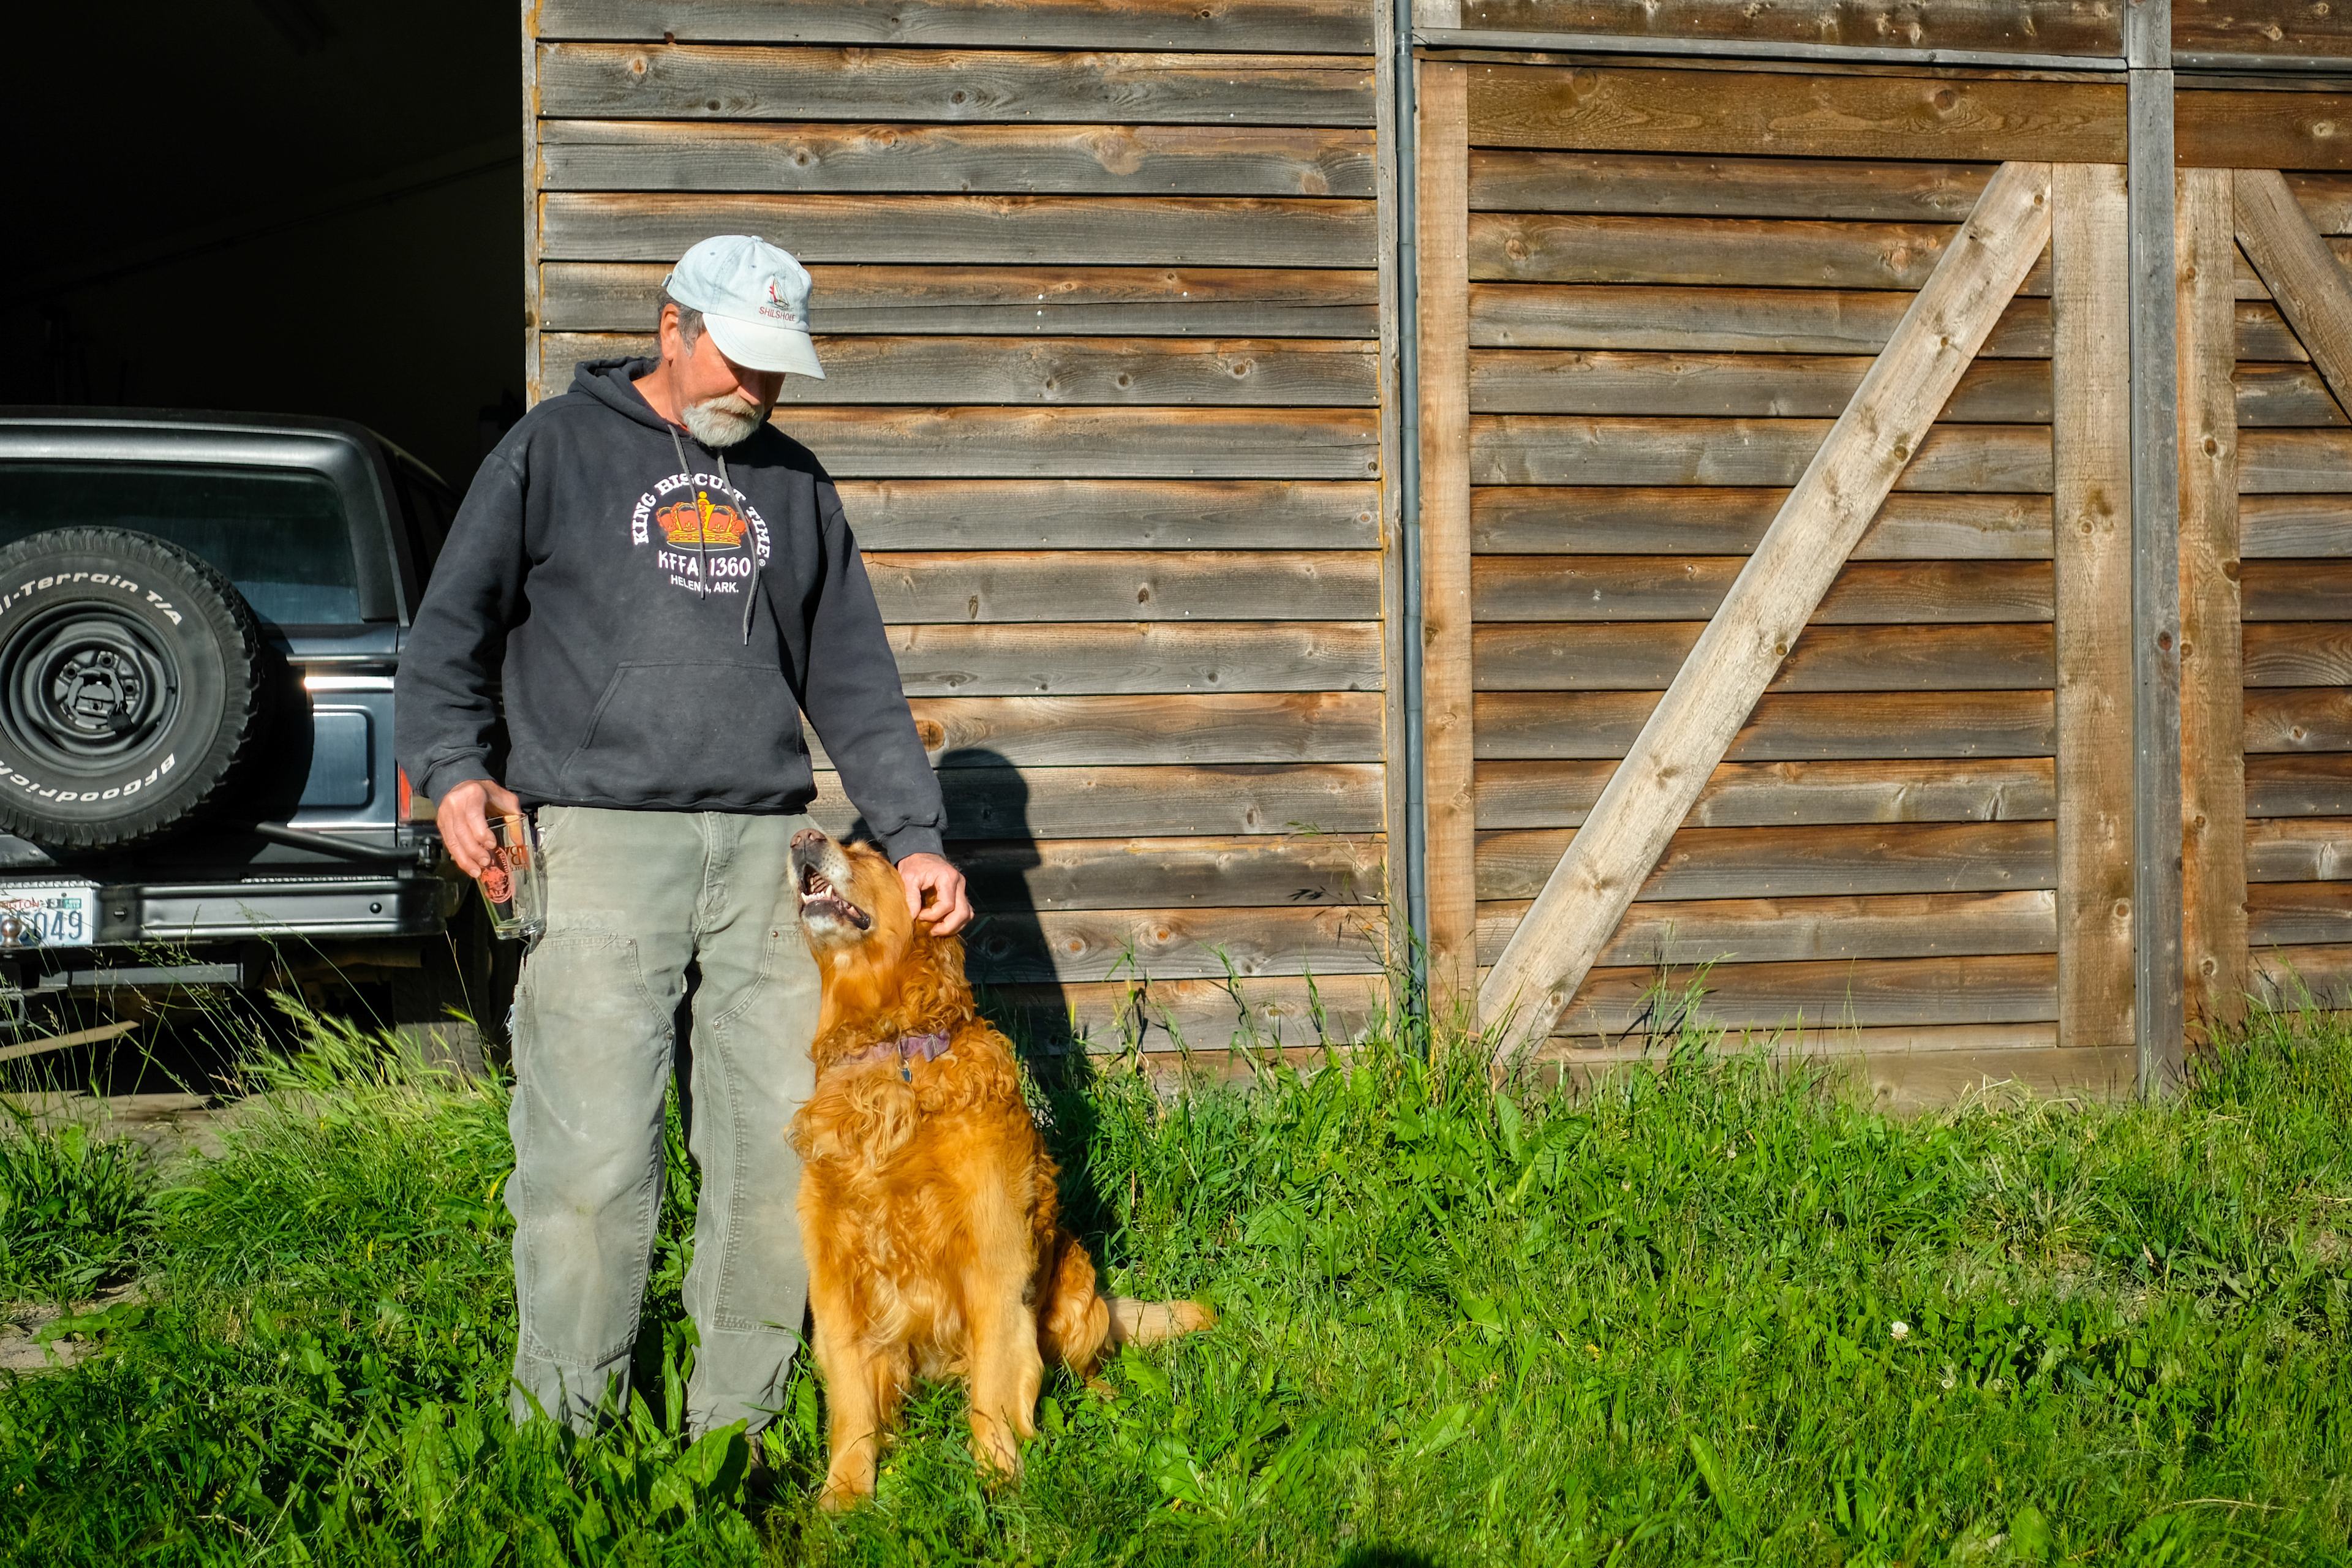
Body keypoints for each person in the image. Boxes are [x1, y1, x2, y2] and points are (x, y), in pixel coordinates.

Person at [394, 233, 971, 1443]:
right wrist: (454, 772)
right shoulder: (552, 451)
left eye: (776, 371)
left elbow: (853, 674)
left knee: (778, 1160)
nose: (755, 391)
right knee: (595, 1163)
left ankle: (735, 1436)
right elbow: (448, 634)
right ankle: (563, 1438)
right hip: (598, 840)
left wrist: (914, 832)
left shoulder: (797, 484)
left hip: (773, 851)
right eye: (739, 361)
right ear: (673, 327)